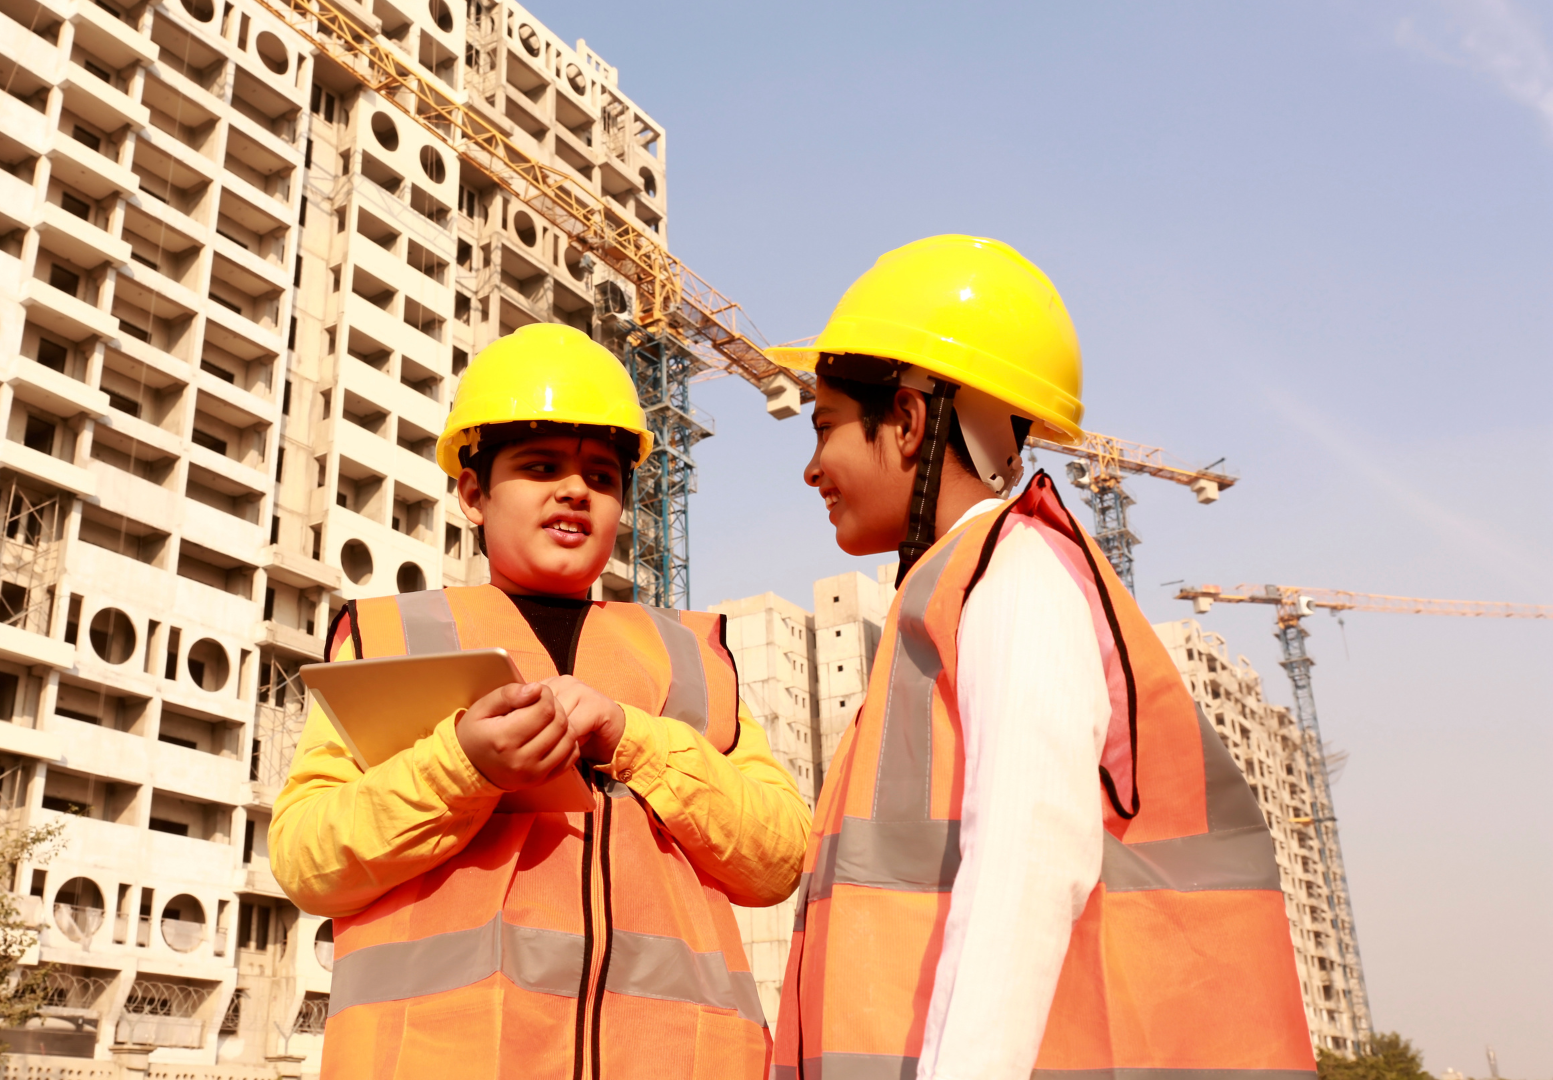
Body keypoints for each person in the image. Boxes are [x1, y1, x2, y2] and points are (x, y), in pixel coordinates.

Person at [767, 236, 1316, 1080]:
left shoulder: (1013, 575)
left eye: (828, 427)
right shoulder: (955, 590)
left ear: (908, 422)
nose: (812, 469)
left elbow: (1026, 867)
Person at [270, 323, 812, 1080]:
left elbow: (779, 857)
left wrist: (632, 737)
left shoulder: (690, 657)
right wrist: (462, 766)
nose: (574, 489)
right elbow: (307, 860)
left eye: (602, 475)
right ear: (472, 492)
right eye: (540, 465)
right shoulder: (393, 637)